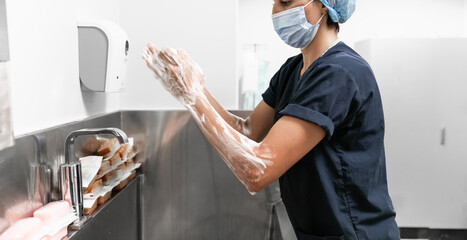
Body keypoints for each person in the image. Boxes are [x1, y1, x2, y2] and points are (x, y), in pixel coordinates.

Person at [142, 0, 400, 239]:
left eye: (286, 1)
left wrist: (193, 98)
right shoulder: (292, 70)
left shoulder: (339, 72)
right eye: (274, 2)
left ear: (323, 6)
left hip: (355, 232)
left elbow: (257, 169)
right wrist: (192, 89)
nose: (275, 11)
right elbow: (247, 130)